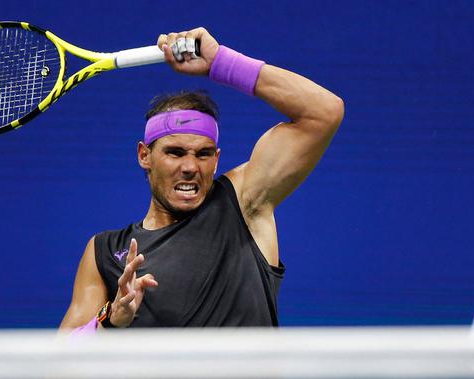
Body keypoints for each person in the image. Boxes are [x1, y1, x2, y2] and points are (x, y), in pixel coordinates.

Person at [59, 27, 343, 330]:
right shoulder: (105, 250)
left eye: (203, 154)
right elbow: (59, 361)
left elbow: (324, 112)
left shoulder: (244, 202)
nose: (191, 166)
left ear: (217, 159)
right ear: (144, 156)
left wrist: (221, 62)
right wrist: (110, 321)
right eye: (175, 152)